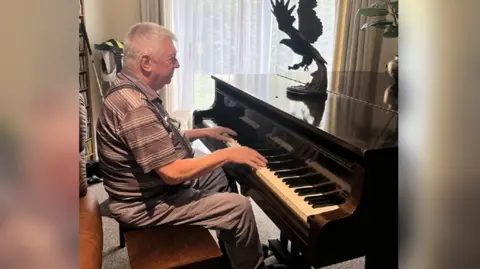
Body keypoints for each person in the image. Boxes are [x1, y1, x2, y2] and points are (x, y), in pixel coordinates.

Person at [96, 22, 269, 269]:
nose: (177, 65)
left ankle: (235, 248)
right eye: (172, 58)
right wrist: (229, 154)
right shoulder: (136, 107)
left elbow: (160, 140)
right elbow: (172, 173)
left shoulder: (131, 89)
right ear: (146, 63)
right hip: (144, 205)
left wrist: (205, 131)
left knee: (218, 178)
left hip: (151, 189)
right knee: (238, 207)